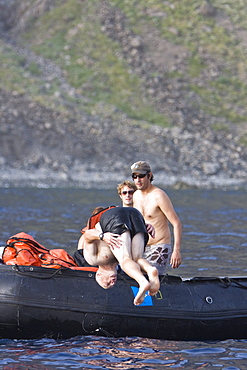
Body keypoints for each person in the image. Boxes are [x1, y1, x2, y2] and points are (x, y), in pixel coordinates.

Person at [77, 206, 160, 306]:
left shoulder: (93, 260)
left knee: (125, 259)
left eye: (107, 283)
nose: (112, 283)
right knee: (137, 259)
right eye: (112, 285)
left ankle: (142, 282)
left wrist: (102, 236)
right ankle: (150, 270)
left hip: (113, 216)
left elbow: (87, 234)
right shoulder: (118, 261)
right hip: (134, 214)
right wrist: (143, 225)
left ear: (99, 275)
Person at [131, 161, 182, 275]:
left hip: (159, 246)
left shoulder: (159, 195)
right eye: (135, 176)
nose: (138, 180)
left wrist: (176, 251)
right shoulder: (136, 195)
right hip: (141, 247)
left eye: (141, 176)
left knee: (150, 276)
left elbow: (176, 223)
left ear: (149, 175)